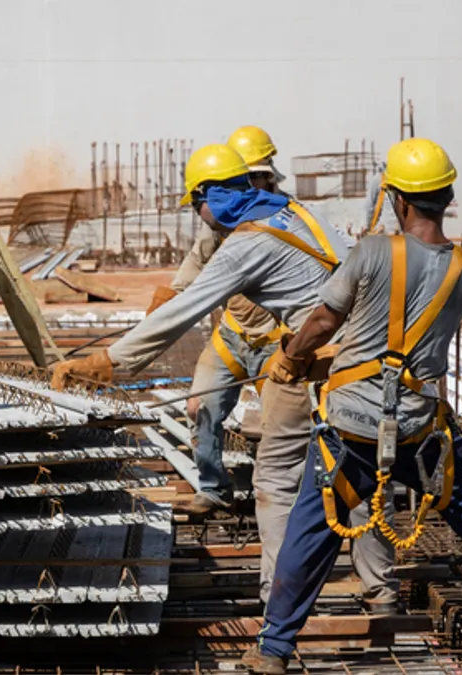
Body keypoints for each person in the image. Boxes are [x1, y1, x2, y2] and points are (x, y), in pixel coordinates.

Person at [241, 138, 462, 674]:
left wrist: (290, 357)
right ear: (446, 197)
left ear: (397, 199)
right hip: (418, 428)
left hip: (352, 428)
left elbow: (324, 320)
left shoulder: (371, 251)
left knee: (311, 531)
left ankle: (273, 649)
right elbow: (406, 330)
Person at [53, 143, 395, 608]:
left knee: (276, 482)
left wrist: (108, 362)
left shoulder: (244, 245)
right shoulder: (294, 212)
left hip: (317, 362)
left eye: (196, 203)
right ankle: (381, 590)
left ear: (210, 197)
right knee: (359, 473)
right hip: (368, 359)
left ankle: (279, 602)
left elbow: (184, 311)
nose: (197, 214)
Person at [146, 126, 293, 514]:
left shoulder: (288, 219)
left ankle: (281, 499)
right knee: (199, 408)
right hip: (232, 335)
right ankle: (214, 489)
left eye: (251, 178)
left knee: (282, 425)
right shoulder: (221, 227)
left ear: (267, 178)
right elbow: (193, 269)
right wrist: (167, 302)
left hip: (277, 341)